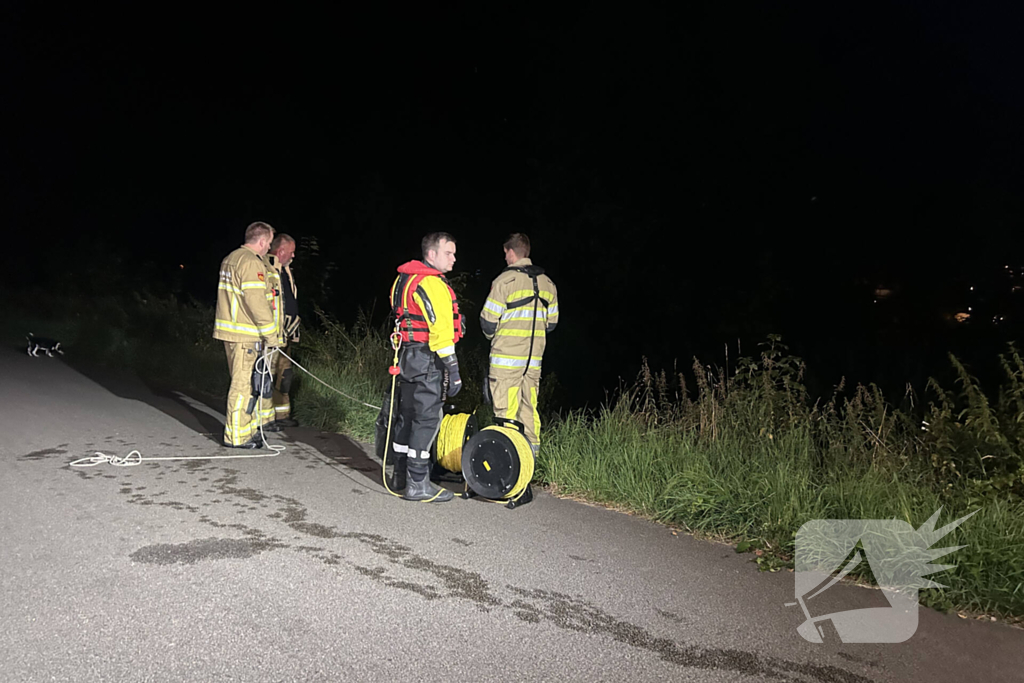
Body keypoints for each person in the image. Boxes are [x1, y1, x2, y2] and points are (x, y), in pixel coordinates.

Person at [386, 232, 465, 502]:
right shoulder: (432, 284)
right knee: (427, 418)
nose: (454, 258)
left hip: (406, 356)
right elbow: (441, 332)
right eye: (448, 253)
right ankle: (418, 483)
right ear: (431, 254)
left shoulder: (403, 280)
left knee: (406, 416)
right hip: (428, 358)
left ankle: (399, 475)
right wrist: (453, 370)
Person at [480, 233, 559, 455]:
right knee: (529, 410)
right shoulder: (548, 283)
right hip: (533, 361)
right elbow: (551, 324)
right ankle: (530, 460)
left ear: (512, 252)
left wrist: (497, 338)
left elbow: (487, 322)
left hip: (506, 360)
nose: (505, 258)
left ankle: (505, 464)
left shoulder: (504, 281)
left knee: (506, 411)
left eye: (506, 254)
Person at [213, 222, 283, 448]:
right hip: (246, 335)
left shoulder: (231, 258)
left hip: (232, 332)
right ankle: (237, 437)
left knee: (245, 383)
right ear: (261, 241)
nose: (268, 248)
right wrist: (271, 335)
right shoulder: (252, 262)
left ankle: (247, 429)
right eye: (269, 243)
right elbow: (257, 302)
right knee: (243, 387)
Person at [265, 233, 300, 430]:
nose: (293, 256)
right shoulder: (268, 268)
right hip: (272, 334)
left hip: (286, 333)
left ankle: (282, 414)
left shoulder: (286, 270)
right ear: (281, 251)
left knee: (284, 375)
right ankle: (266, 416)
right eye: (292, 252)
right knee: (268, 374)